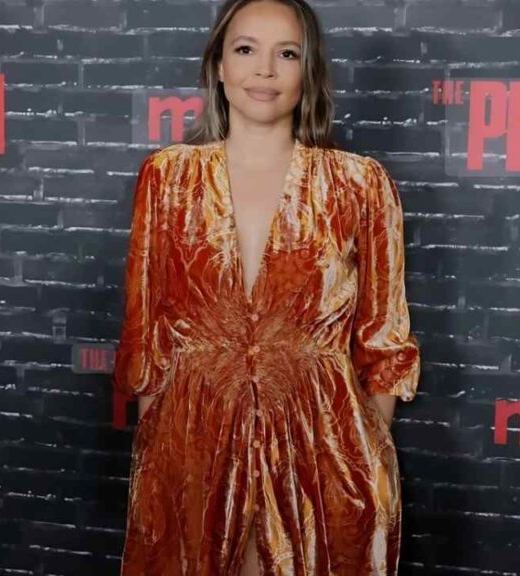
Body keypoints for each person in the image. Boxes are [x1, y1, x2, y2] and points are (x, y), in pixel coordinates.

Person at [112, 0, 420, 574]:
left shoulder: (360, 184)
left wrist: (365, 447)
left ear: (309, 73)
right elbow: (145, 331)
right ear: (219, 67)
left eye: (287, 53)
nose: (265, 70)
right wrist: (162, 452)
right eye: (246, 50)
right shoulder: (167, 177)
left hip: (324, 445)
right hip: (193, 438)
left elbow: (384, 337)